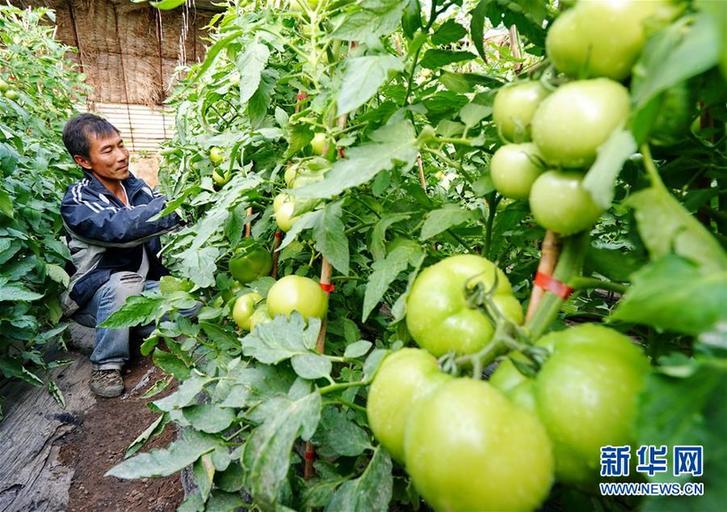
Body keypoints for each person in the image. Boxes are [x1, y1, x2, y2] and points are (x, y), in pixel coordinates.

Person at [60, 113, 181, 398]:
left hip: (139, 289)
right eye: (108, 150)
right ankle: (107, 364)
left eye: (121, 145)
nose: (121, 155)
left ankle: (133, 328)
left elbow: (159, 218)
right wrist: (177, 206)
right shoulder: (77, 201)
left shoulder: (137, 189)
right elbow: (121, 229)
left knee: (190, 306)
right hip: (95, 298)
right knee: (123, 281)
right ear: (83, 162)